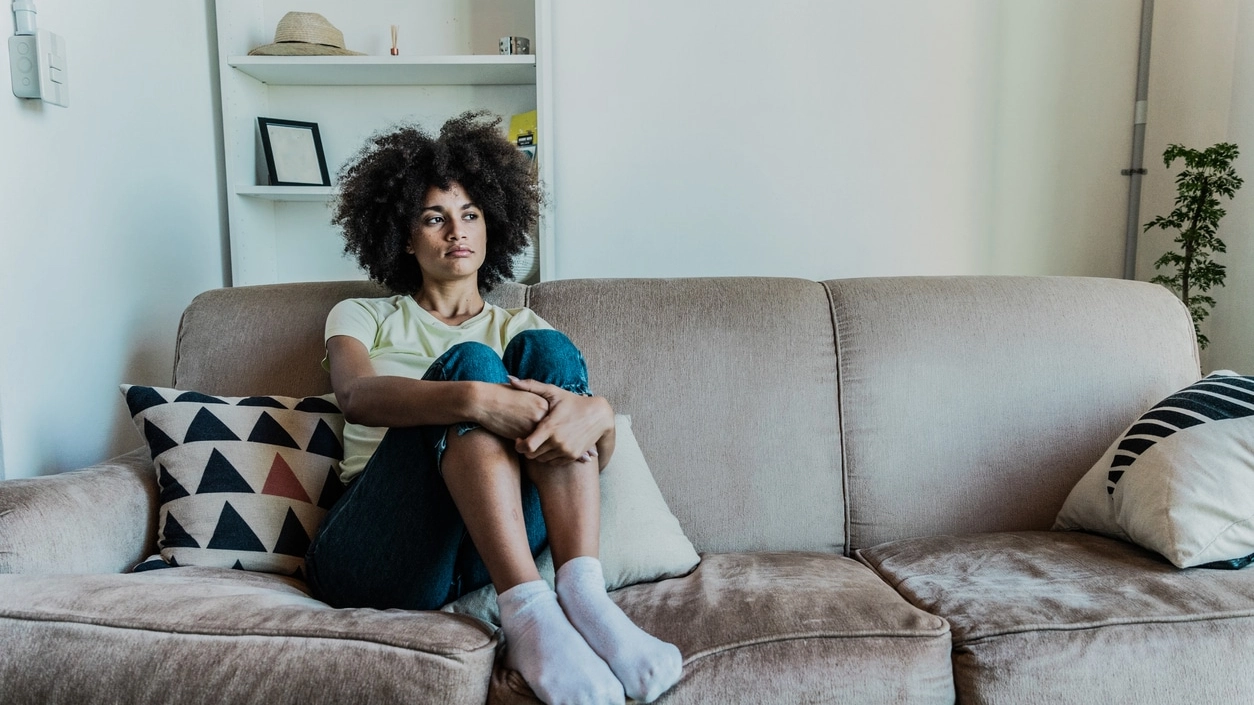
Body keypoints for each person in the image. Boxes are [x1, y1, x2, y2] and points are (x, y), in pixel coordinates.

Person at [304, 112, 682, 705]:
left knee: (547, 351)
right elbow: (354, 397)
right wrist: (477, 398)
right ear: (405, 237)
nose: (457, 231)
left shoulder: (521, 325)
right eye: (435, 217)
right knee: (474, 364)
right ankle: (531, 613)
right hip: (383, 545)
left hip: (489, 546)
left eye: (470, 215)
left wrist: (599, 415)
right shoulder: (362, 315)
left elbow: (587, 454)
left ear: (491, 227)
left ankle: (581, 597)